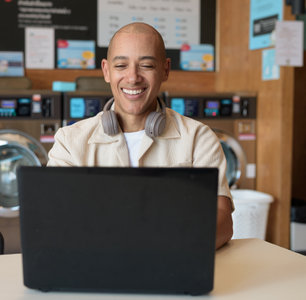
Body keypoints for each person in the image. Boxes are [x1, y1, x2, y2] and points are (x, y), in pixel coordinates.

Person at [47, 22, 233, 249]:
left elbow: (222, 219)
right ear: (106, 70)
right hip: (95, 266)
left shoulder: (198, 138)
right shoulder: (69, 141)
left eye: (146, 65)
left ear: (165, 69)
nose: (133, 77)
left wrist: (170, 247)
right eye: (121, 65)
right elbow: (53, 218)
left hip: (174, 265)